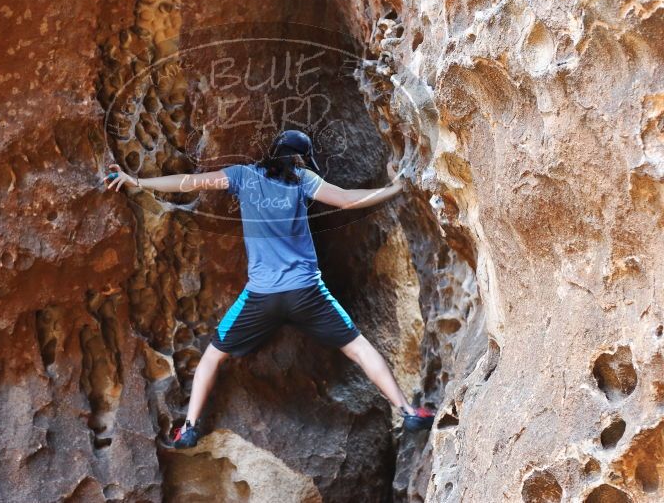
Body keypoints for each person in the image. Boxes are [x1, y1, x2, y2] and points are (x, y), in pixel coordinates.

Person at [104, 130, 435, 449]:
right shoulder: (304, 180)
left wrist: (136, 181)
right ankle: (407, 411)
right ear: (301, 161)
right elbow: (348, 201)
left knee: (211, 358)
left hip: (261, 297)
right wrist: (395, 187)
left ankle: (189, 428)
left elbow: (189, 182)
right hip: (308, 293)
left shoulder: (243, 176)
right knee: (359, 348)